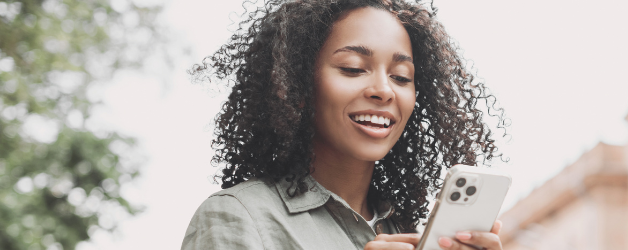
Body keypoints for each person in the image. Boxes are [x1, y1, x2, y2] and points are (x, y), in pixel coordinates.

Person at [181, 0, 506, 249]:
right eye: (353, 68)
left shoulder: (406, 234)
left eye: (401, 77)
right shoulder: (241, 217)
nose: (383, 90)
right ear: (297, 85)